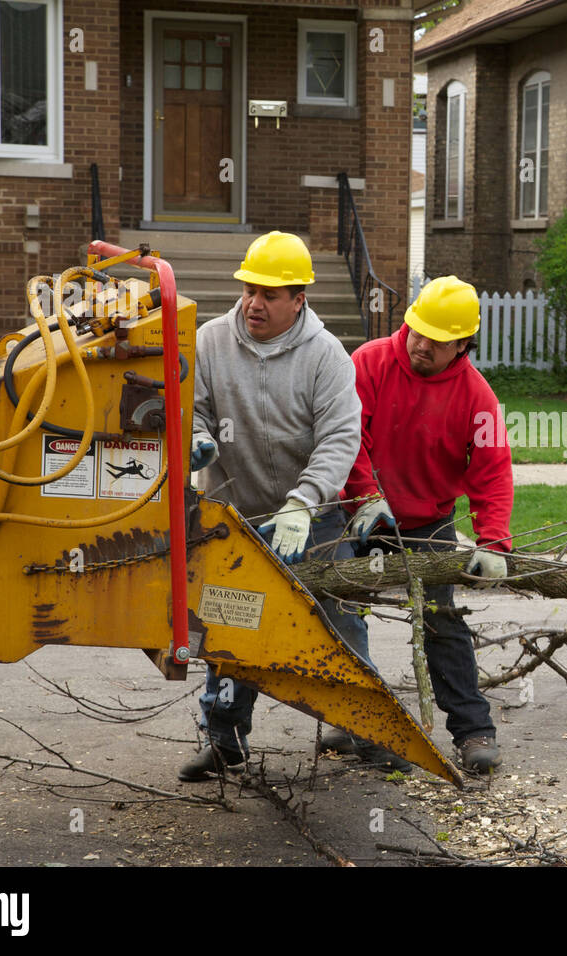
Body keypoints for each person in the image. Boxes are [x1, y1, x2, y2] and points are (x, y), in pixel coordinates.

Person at [178, 231, 396, 781]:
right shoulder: (209, 342)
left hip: (313, 518)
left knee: (339, 620)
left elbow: (340, 439)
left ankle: (363, 726)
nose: (254, 302)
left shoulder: (326, 356)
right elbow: (191, 409)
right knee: (232, 626)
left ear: (299, 298)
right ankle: (224, 740)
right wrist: (196, 437)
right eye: (250, 289)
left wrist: (303, 503)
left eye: (269, 294)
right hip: (239, 515)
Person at [328, 275, 513, 774]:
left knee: (440, 621)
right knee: (341, 610)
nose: (421, 344)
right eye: (416, 331)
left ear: (463, 345)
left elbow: (492, 471)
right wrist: (366, 495)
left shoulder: (477, 396)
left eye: (436, 339)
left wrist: (493, 540)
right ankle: (348, 717)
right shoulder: (368, 362)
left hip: (427, 521)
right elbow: (346, 436)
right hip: (358, 516)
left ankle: (473, 730)